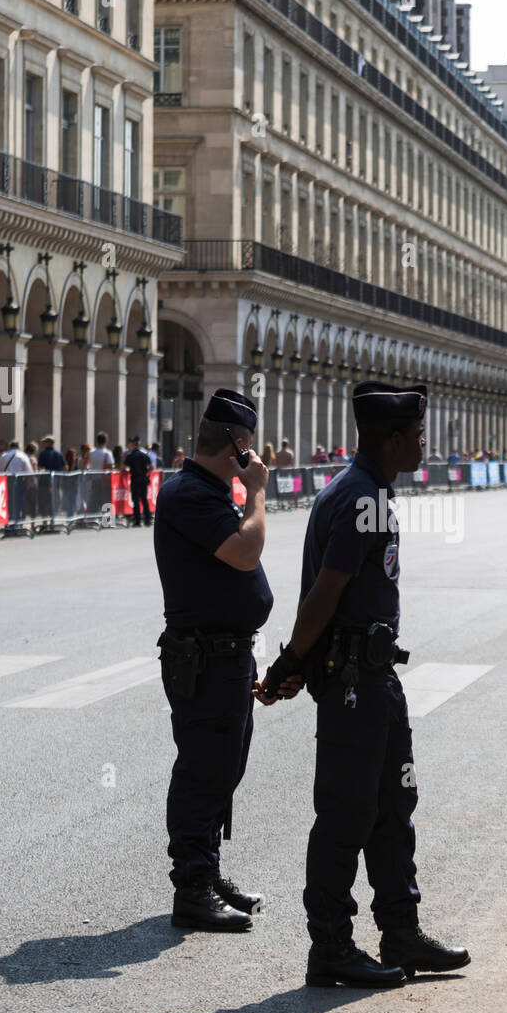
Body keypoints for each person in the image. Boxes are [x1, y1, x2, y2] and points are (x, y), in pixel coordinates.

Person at [256, 380, 470, 990]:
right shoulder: (358, 498)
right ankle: (330, 946)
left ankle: (400, 930)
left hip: (373, 677)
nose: (425, 444)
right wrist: (289, 663)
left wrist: (297, 666)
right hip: (353, 682)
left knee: (392, 809)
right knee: (346, 813)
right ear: (395, 439)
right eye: (420, 435)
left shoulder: (364, 491)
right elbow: (325, 594)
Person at [154, 388, 294, 931]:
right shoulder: (190, 493)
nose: (255, 456)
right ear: (237, 445)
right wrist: (256, 491)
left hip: (226, 654)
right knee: (203, 769)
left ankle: (207, 871)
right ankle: (191, 885)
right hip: (205, 658)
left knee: (224, 767)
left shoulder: (208, 491)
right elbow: (245, 550)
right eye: (250, 447)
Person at [0, 439, 34, 523]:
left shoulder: (4, 456)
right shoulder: (22, 456)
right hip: (19, 481)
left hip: (7, 481)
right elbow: (29, 472)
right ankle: (17, 524)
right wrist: (29, 484)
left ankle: (9, 523)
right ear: (19, 447)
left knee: (8, 504)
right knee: (18, 504)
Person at [124, 434, 153, 527]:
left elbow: (125, 467)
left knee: (136, 500)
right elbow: (151, 467)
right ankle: (147, 519)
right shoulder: (144, 455)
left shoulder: (130, 456)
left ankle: (137, 520)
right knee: (144, 499)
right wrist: (146, 473)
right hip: (143, 479)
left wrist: (128, 471)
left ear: (133, 445)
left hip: (135, 479)